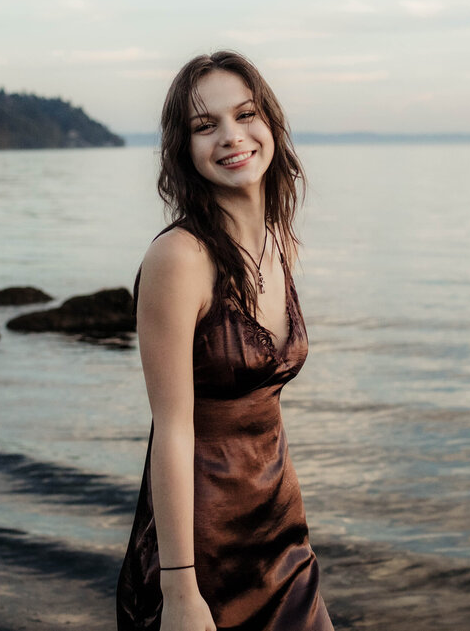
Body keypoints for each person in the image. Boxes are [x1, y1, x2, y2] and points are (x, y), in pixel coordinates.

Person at [117, 51, 333, 631]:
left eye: (245, 114)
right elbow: (173, 427)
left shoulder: (277, 241)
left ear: (270, 124)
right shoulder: (178, 259)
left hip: (283, 539)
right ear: (183, 148)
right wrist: (181, 591)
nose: (231, 136)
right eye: (205, 125)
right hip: (202, 552)